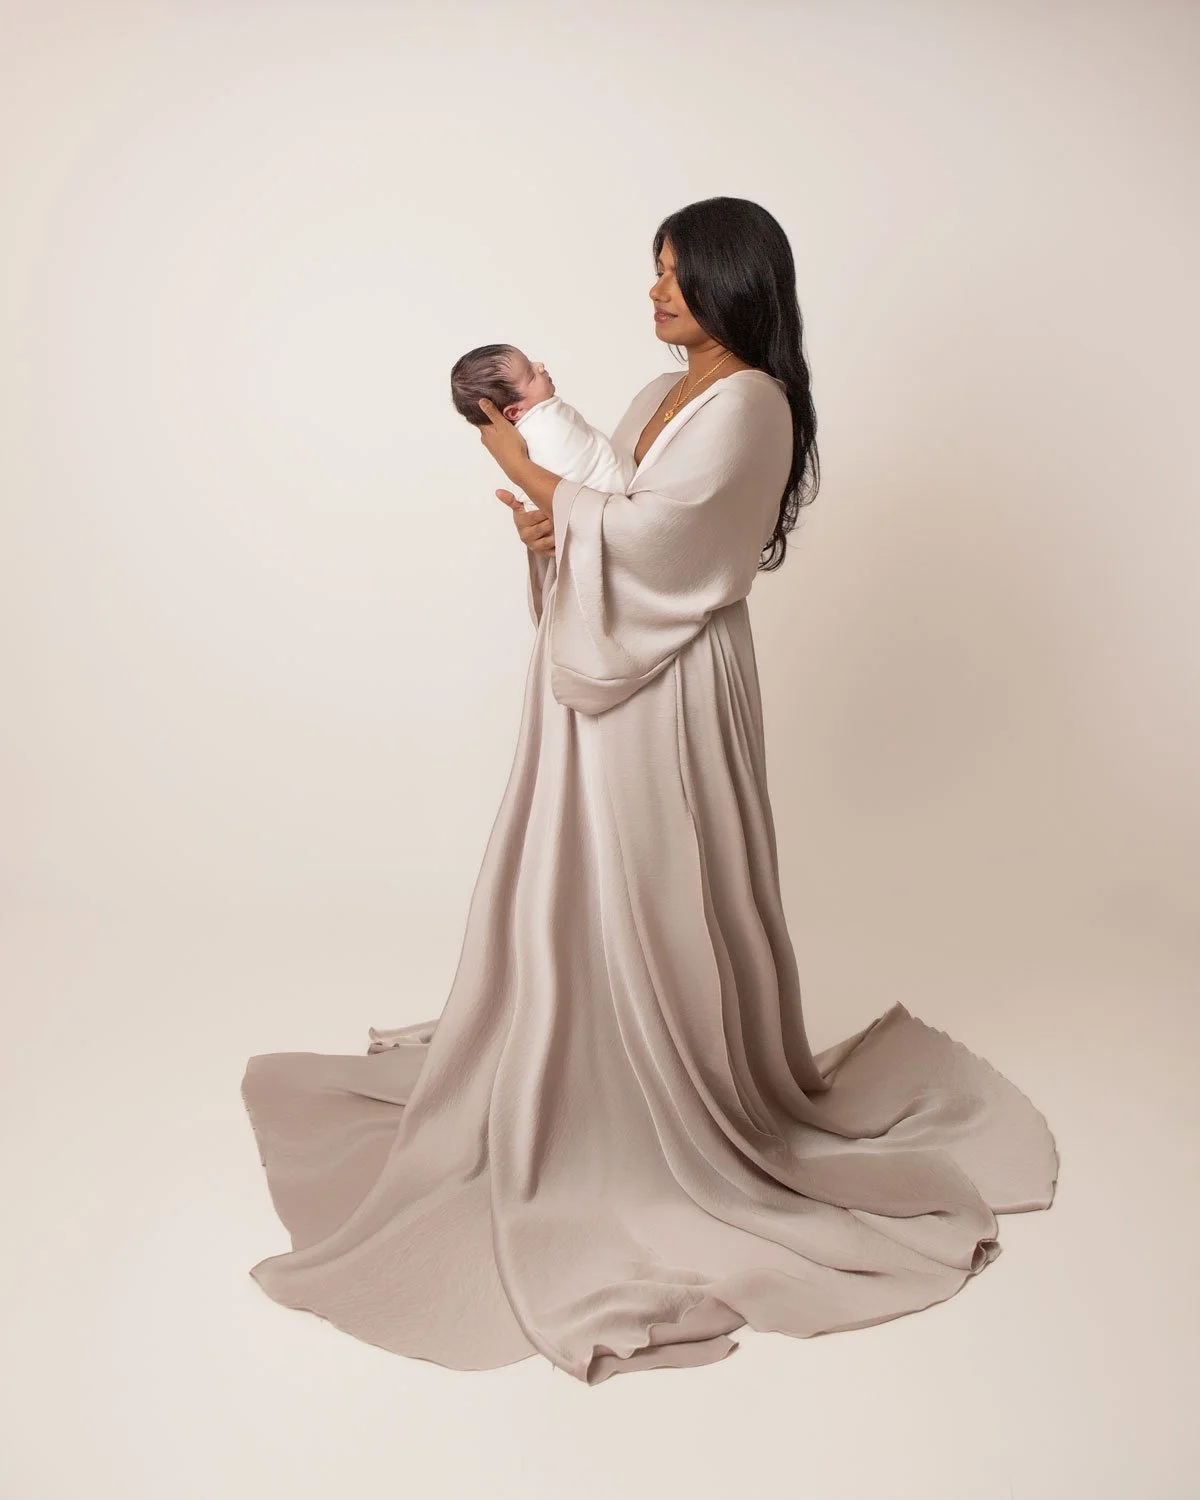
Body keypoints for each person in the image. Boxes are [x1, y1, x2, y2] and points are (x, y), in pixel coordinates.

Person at [240, 196, 1058, 1385]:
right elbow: (612, 511)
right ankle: (574, 1058)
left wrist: (518, 464)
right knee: (578, 869)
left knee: (662, 871)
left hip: (673, 678)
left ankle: (662, 1094)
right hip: (605, 664)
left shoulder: (755, 404)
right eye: (656, 271)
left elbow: (667, 544)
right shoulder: (651, 395)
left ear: (734, 283)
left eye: (676, 274)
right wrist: (549, 533)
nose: (656, 292)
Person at [446, 342, 633, 625]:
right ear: (513, 412)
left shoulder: (541, 421)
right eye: (531, 375)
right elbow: (559, 492)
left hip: (618, 518)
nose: (541, 366)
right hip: (613, 515)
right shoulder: (545, 429)